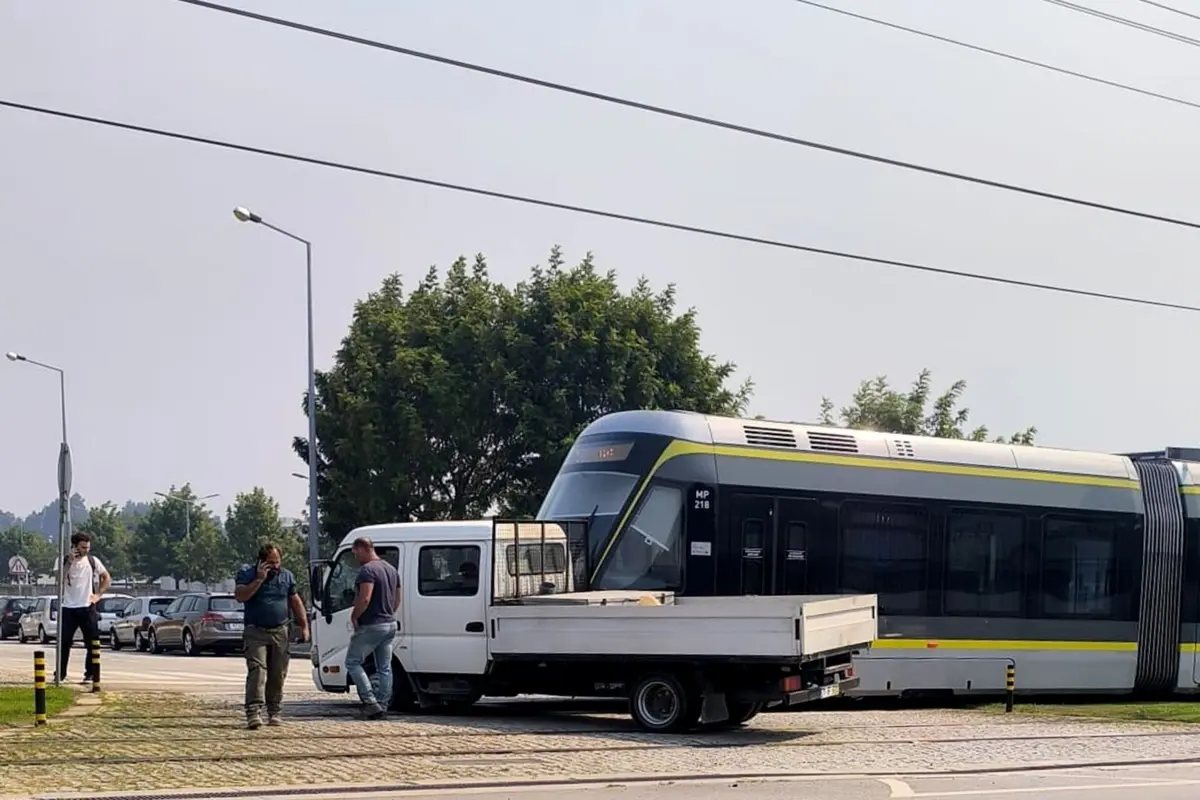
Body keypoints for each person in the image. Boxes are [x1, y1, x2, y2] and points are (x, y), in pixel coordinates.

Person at [235, 542, 308, 730]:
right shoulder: (247, 573)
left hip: (280, 631)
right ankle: (253, 712)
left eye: (277, 562)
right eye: (270, 563)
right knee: (258, 671)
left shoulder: (286, 576)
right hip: (255, 631)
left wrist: (304, 625)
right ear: (260, 562)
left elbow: (295, 600)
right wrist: (259, 580)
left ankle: (274, 711)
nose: (275, 566)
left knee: (278, 673)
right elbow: (241, 596)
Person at [344, 536, 401, 720]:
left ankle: (370, 703)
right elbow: (397, 599)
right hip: (390, 623)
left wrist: (355, 615)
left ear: (361, 549)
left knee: (352, 662)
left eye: (355, 553)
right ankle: (382, 704)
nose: (356, 558)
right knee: (384, 667)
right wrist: (388, 613)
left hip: (372, 624)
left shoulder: (367, 571)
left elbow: (365, 597)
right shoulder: (391, 569)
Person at [58, 531, 109, 684]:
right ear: (74, 546)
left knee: (92, 641)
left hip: (87, 607)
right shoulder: (63, 560)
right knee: (65, 642)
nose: (85, 550)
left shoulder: (93, 561)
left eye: (87, 547)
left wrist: (98, 595)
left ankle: (90, 673)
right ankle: (60, 674)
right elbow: (58, 579)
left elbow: (106, 577)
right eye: (82, 547)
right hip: (68, 607)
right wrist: (69, 562)